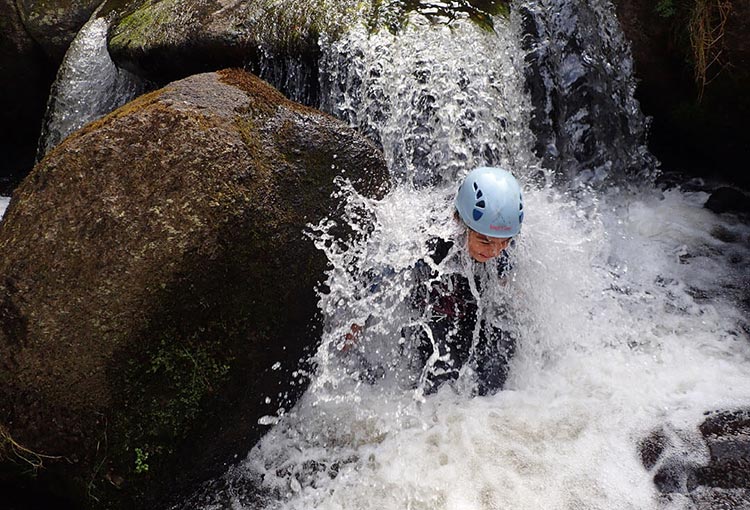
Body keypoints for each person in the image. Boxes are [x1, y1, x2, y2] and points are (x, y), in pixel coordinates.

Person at [344, 166, 523, 396]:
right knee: (438, 389)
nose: (496, 250)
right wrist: (356, 324)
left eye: (504, 242)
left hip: (473, 312)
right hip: (434, 315)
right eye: (485, 242)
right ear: (461, 223)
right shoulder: (433, 241)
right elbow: (384, 273)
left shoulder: (501, 240)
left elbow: (508, 282)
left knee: (495, 382)